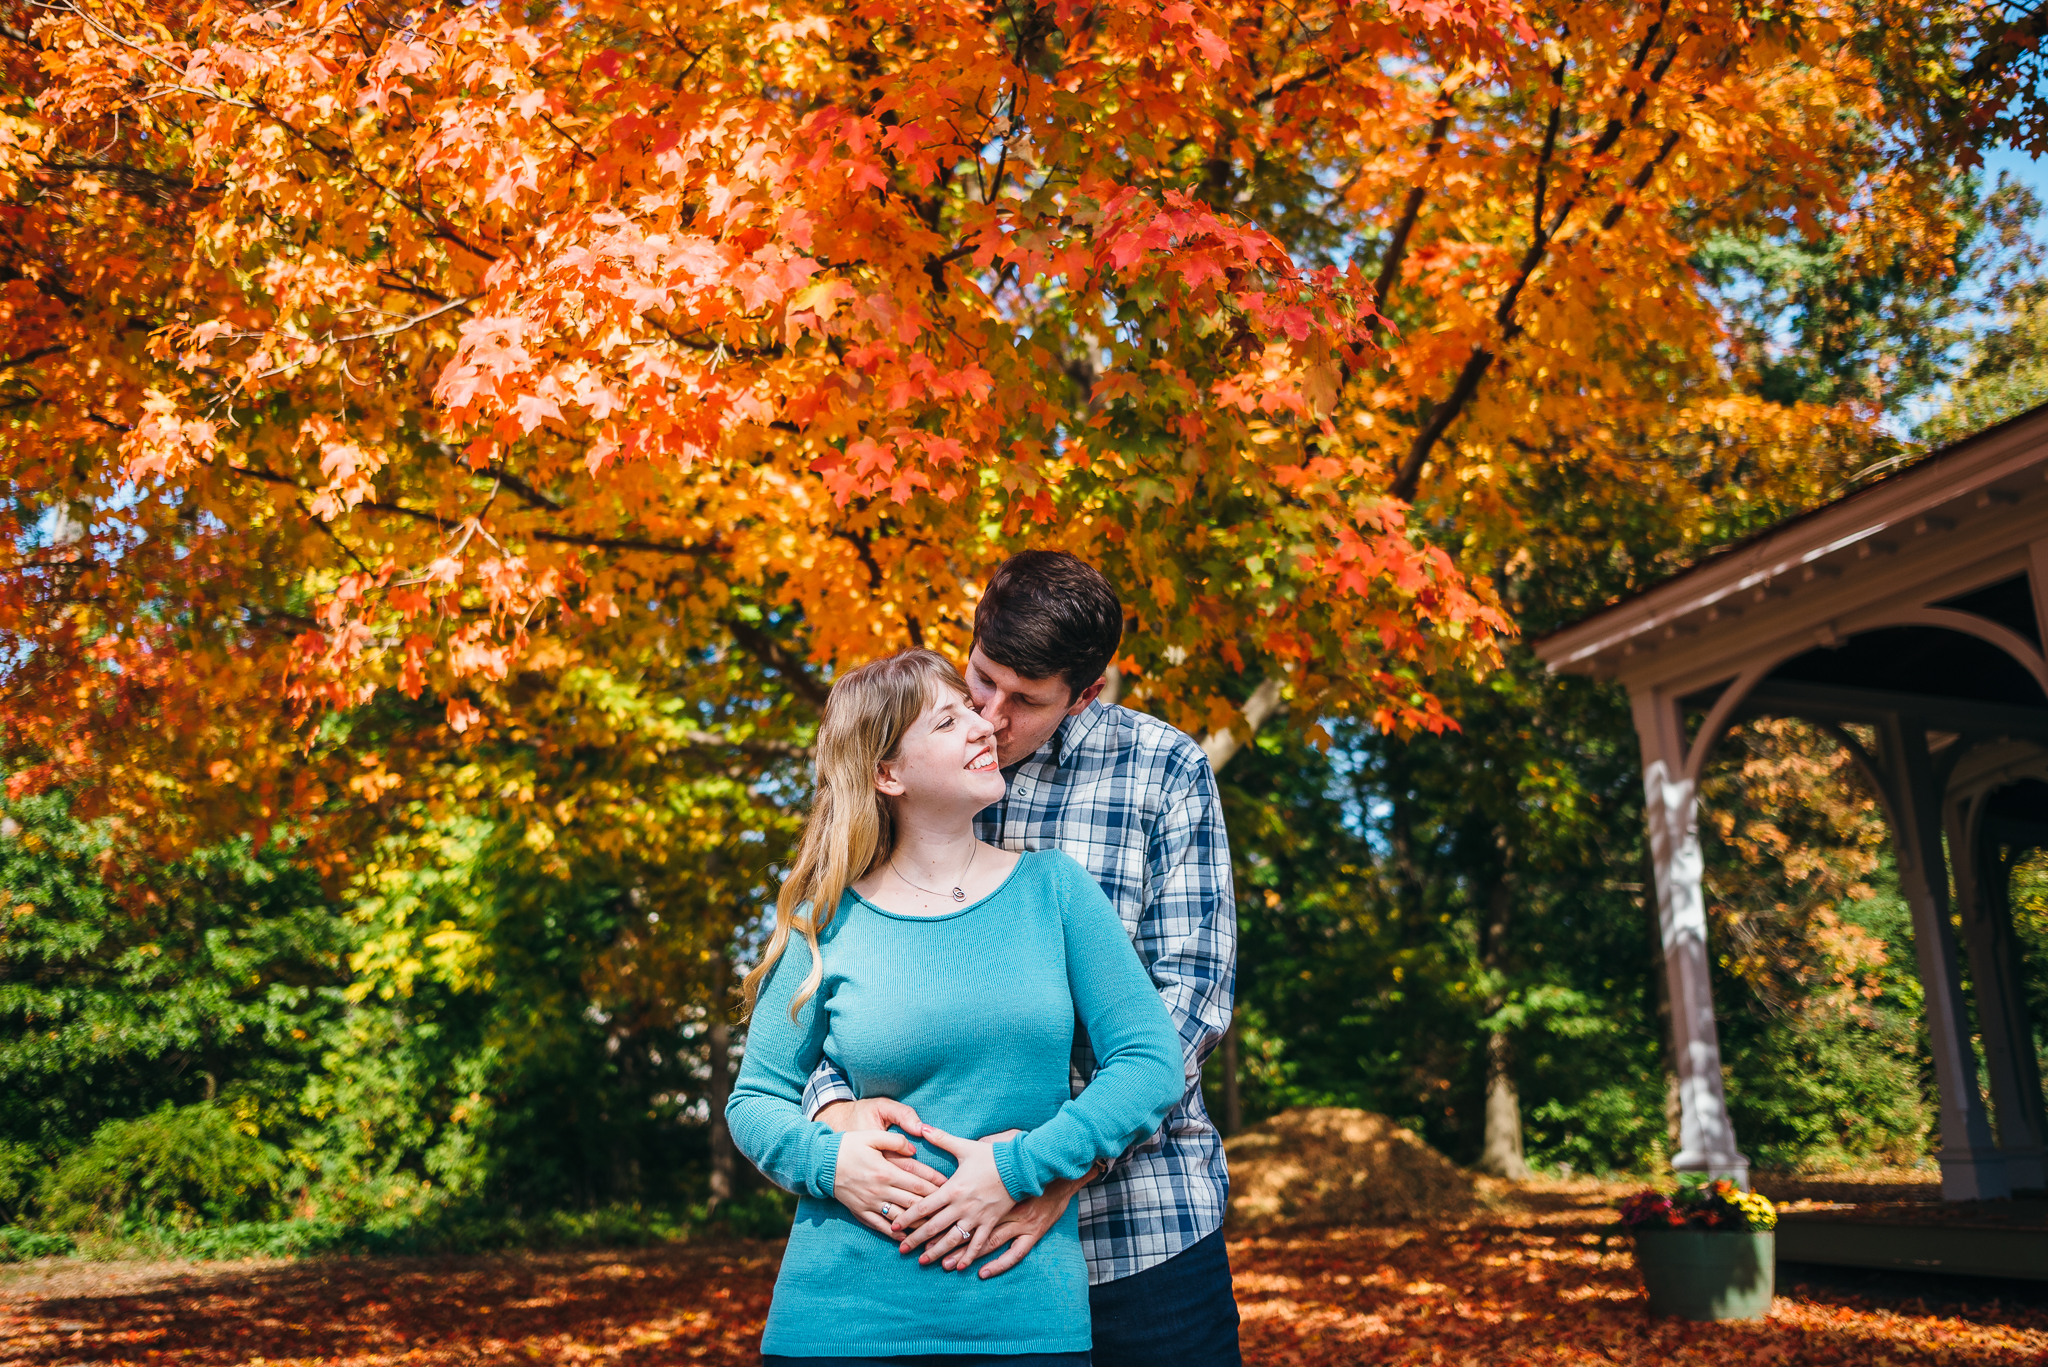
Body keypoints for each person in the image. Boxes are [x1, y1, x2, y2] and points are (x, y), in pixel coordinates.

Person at [805, 552, 1244, 1367]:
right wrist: (834, 1114)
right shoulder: (902, 754)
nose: (991, 716)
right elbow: (827, 974)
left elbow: (1190, 1000)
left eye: (1027, 701)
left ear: (1085, 695)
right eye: (981, 680)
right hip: (942, 1243)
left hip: (1139, 1229)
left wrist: (1049, 1166)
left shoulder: (1164, 770)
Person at [725, 648, 1184, 1364]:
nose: (981, 726)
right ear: (888, 774)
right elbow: (754, 1098)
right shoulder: (826, 920)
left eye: (968, 709)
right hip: (838, 1320)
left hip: (1022, 1314)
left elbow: (1151, 1062)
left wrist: (1022, 1166)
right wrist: (831, 1162)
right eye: (950, 719)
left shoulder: (1054, 890)